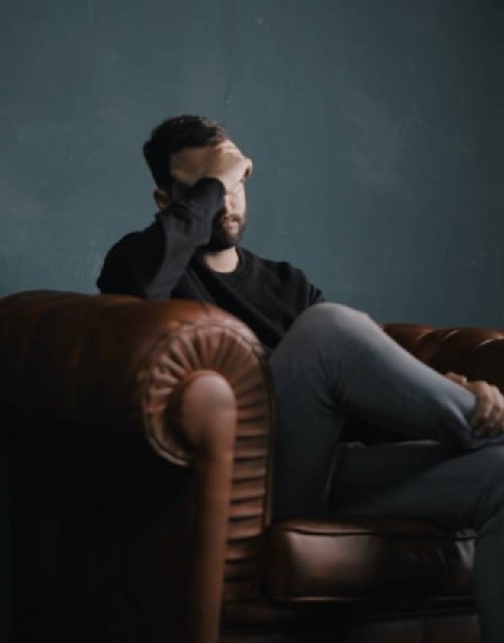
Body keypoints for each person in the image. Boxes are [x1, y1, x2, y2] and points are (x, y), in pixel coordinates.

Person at [96, 114, 504, 641]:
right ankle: (479, 421)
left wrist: (434, 389)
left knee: (501, 473)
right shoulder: (141, 263)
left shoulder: (287, 284)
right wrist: (216, 183)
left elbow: (353, 396)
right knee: (328, 328)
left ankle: (478, 422)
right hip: (252, 487)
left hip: (328, 472)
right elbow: (136, 288)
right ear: (166, 201)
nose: (225, 198)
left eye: (235, 178)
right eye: (205, 184)